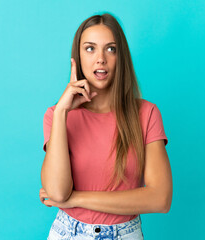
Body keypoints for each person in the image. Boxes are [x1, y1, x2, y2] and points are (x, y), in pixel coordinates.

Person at [39, 13, 172, 240]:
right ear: (77, 57)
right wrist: (62, 111)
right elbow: (58, 192)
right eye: (90, 48)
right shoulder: (56, 115)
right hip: (68, 233)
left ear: (121, 57)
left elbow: (160, 199)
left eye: (110, 49)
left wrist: (77, 199)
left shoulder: (146, 114)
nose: (100, 58)